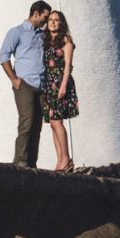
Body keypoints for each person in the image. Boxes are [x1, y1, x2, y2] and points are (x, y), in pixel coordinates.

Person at [0, 0, 52, 166]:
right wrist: (14, 79)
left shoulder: (42, 35)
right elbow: (4, 56)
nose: (47, 21)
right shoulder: (17, 32)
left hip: (41, 86)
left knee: (37, 127)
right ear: (36, 13)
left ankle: (32, 163)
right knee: (26, 123)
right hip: (25, 85)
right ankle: (20, 162)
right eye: (45, 17)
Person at [41, 10, 80, 171]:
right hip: (49, 85)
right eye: (50, 20)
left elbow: (68, 66)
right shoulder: (47, 42)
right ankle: (60, 160)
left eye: (56, 20)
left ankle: (66, 159)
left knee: (57, 121)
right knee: (52, 123)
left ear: (61, 23)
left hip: (60, 84)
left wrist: (63, 86)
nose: (53, 22)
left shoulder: (66, 42)